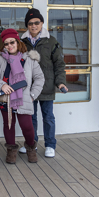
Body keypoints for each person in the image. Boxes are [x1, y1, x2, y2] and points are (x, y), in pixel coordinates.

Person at [0, 29, 45, 164]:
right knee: (8, 125)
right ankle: (11, 151)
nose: (9, 46)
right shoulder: (0, 59)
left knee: (27, 126)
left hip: (23, 98)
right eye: (6, 44)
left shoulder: (29, 59)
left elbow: (40, 78)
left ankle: (31, 148)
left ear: (18, 42)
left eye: (12, 42)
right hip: (5, 99)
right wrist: (2, 85)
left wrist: (32, 95)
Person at [20, 8, 68, 158]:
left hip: (46, 86)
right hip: (28, 88)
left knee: (48, 117)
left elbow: (59, 64)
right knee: (30, 117)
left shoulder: (51, 41)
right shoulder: (22, 42)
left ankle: (50, 145)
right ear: (27, 25)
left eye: (36, 22)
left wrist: (60, 82)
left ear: (42, 23)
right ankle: (31, 143)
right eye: (30, 23)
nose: (34, 26)